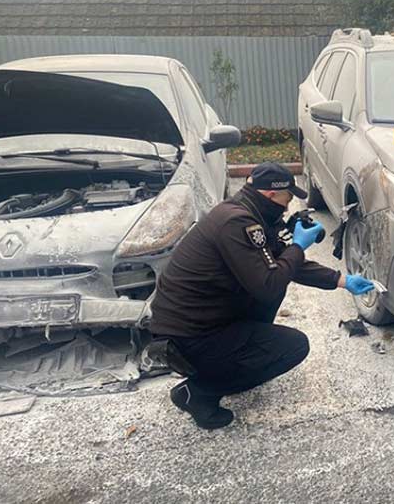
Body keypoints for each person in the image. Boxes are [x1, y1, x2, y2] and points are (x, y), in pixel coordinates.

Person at [149, 162, 374, 429]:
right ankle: (198, 392)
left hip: (200, 322)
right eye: (287, 199)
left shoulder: (249, 212)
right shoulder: (238, 223)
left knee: (272, 285)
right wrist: (299, 246)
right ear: (270, 195)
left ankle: (235, 359)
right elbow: (269, 282)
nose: (288, 206)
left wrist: (342, 280)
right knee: (293, 346)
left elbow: (280, 260)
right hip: (189, 339)